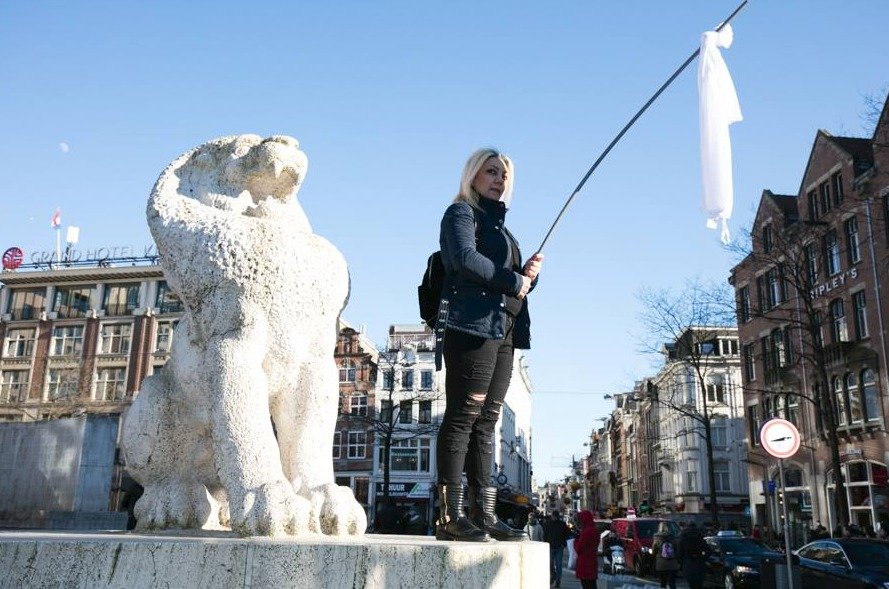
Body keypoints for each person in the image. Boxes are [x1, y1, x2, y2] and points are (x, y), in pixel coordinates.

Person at [434, 148, 543, 543]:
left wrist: (527, 274)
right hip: (472, 326)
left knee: (487, 422)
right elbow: (463, 258)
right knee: (464, 416)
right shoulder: (461, 213)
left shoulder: (504, 231)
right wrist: (514, 280)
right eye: (491, 171)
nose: (499, 179)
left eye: (504, 174)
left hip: (503, 331)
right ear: (473, 175)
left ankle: (485, 514)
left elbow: (510, 283)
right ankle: (449, 516)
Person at [573, 510, 600, 589]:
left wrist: (575, 541)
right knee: (592, 585)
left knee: (586, 585)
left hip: (584, 563)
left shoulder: (586, 532)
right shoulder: (594, 530)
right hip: (592, 561)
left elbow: (578, 548)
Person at [678, 521, 708, 589]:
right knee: (699, 584)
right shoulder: (700, 537)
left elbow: (679, 553)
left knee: (691, 584)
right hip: (699, 563)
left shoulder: (683, 537)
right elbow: (708, 551)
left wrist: (682, 562)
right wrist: (703, 558)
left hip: (688, 563)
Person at [544, 511, 570, 588]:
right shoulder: (548, 524)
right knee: (550, 564)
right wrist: (546, 543)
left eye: (554, 516)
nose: (553, 517)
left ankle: (558, 581)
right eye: (553, 516)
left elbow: (567, 534)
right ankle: (553, 576)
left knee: (558, 565)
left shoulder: (562, 524)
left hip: (559, 547)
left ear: (556, 516)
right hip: (551, 547)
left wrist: (563, 544)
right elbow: (545, 534)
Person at [651, 521, 680, 589]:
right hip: (673, 564)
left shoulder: (656, 538)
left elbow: (654, 552)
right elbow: (677, 551)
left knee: (663, 584)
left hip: (661, 564)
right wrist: (678, 562)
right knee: (672, 583)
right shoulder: (673, 538)